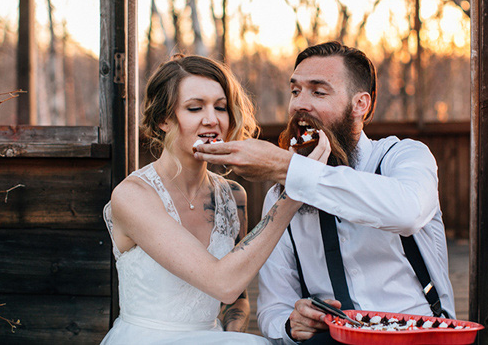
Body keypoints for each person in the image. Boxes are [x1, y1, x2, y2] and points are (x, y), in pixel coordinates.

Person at [195, 41, 455, 344]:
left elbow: (406, 212)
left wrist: (290, 168)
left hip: (422, 337)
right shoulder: (281, 194)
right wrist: (291, 324)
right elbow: (273, 309)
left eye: (318, 92)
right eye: (295, 91)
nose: (299, 104)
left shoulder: (405, 156)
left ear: (361, 105)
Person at [101, 55, 331, 344]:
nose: (212, 119)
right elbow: (223, 283)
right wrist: (294, 194)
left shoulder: (232, 196)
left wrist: (230, 338)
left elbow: (236, 299)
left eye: (220, 107)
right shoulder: (133, 196)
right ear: (164, 119)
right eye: (195, 108)